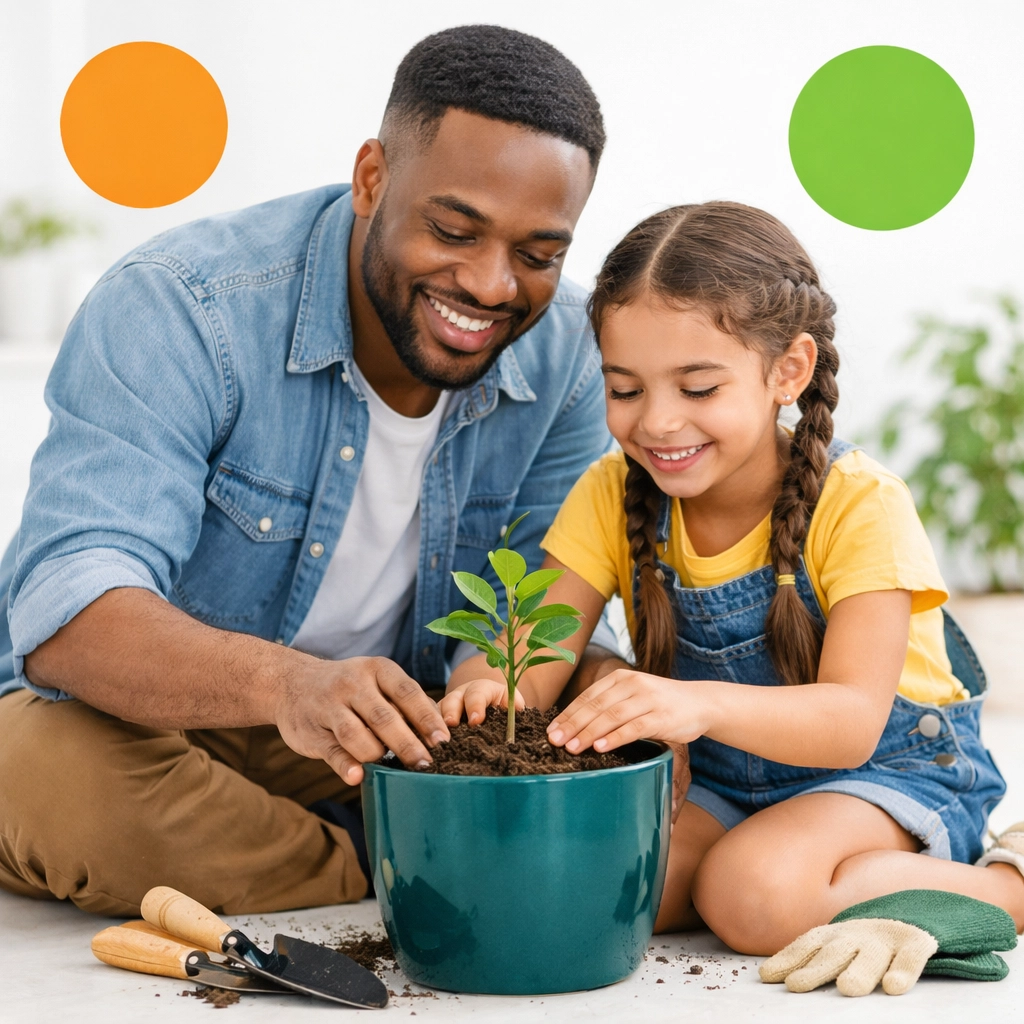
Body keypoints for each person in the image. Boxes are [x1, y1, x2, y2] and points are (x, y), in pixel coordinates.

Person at [0, 25, 621, 916]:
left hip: (393, 727)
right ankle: (395, 873)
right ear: (372, 178)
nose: (491, 286)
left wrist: (599, 690)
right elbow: (67, 613)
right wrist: (288, 684)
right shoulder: (183, 307)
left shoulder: (564, 352)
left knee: (620, 755)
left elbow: (546, 604)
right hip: (151, 715)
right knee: (49, 778)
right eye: (454, 230)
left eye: (537, 255)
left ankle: (317, 852)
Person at [442, 201, 1024, 954]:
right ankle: (779, 856)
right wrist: (484, 693)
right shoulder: (609, 494)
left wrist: (690, 702)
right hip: (718, 779)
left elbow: (851, 723)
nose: (655, 423)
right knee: (601, 893)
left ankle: (1006, 883)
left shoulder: (860, 502)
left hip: (890, 770)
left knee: (750, 896)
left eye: (698, 388)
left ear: (789, 370)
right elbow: (528, 657)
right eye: (625, 390)